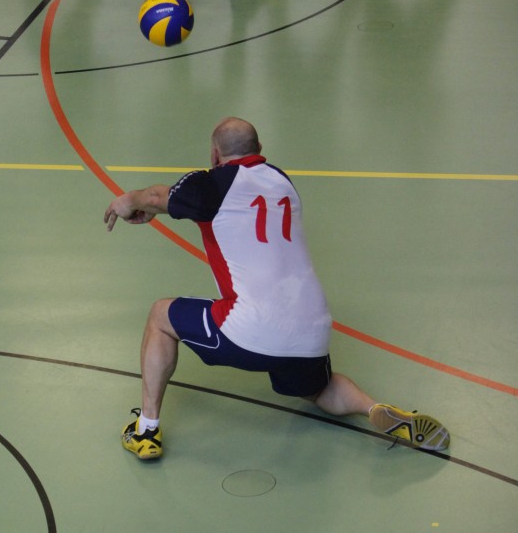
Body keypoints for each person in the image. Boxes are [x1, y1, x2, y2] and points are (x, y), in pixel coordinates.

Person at [104, 116, 450, 460]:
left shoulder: (212, 183)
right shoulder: (282, 182)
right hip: (313, 333)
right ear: (260, 149)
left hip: (252, 329)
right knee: (320, 389)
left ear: (214, 154)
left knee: (160, 315)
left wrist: (128, 201)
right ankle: (374, 408)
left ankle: (146, 429)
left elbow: (156, 196)